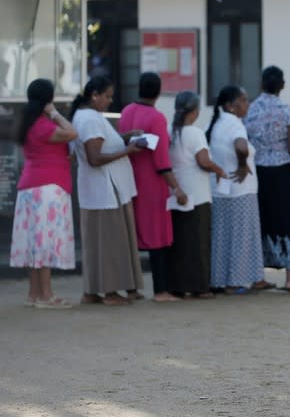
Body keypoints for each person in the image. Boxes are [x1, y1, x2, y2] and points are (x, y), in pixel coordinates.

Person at [70, 76, 144, 305]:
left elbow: (103, 145)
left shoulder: (87, 117)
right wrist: (128, 151)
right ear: (94, 95)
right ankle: (110, 292)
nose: (110, 101)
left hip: (102, 190)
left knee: (98, 242)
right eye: (107, 96)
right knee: (109, 243)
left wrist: (124, 137)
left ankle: (93, 290)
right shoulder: (89, 119)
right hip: (105, 189)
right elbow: (95, 157)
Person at [244, 66, 290, 293]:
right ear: (282, 85)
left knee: (262, 220)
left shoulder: (250, 110)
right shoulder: (286, 112)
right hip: (284, 172)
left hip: (258, 172)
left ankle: (257, 277)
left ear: (262, 84)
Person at [118, 72, 187, 302]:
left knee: (133, 233)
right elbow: (161, 160)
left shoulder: (127, 111)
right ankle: (161, 290)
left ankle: (131, 288)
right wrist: (176, 187)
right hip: (152, 183)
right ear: (158, 92)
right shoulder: (157, 118)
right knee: (157, 235)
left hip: (130, 177)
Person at [10, 78, 78, 308]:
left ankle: (34, 293)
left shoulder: (28, 123)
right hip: (48, 188)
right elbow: (72, 132)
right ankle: (47, 295)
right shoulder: (44, 125)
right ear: (48, 99)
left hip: (30, 187)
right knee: (45, 241)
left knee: (34, 242)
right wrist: (55, 112)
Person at [207, 85, 267, 294]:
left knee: (224, 238)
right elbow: (241, 147)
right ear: (231, 106)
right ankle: (236, 281)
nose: (247, 104)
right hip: (241, 190)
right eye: (243, 100)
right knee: (242, 237)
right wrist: (243, 165)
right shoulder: (235, 125)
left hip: (221, 190)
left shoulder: (218, 123)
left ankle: (224, 279)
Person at [167, 90, 227, 298]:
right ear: (194, 112)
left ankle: (179, 285)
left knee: (180, 243)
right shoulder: (195, 133)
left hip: (176, 193)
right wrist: (219, 170)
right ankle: (200, 286)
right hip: (198, 195)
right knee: (199, 243)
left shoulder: (168, 131)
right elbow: (203, 161)